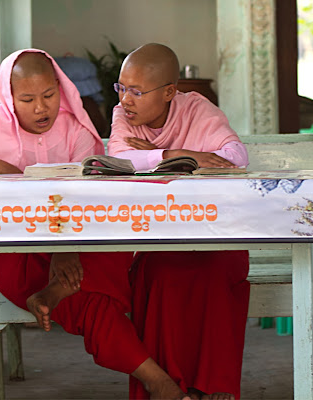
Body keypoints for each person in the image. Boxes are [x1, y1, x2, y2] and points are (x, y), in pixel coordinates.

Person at [0, 48, 192, 400]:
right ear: (9, 97)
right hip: (17, 252)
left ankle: (151, 377)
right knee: (90, 298)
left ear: (60, 89)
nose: (41, 108)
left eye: (49, 95)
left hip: (80, 249)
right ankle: (158, 380)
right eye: (27, 99)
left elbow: (91, 195)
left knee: (110, 256)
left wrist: (66, 247)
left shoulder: (75, 131)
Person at [108, 43, 251, 400]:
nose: (126, 99)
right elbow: (119, 158)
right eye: (121, 88)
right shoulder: (123, 116)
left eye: (137, 91)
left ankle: (212, 385)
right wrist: (177, 154)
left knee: (212, 272)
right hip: (159, 242)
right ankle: (172, 387)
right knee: (161, 275)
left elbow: (235, 156)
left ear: (170, 92)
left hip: (216, 237)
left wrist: (152, 156)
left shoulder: (197, 111)